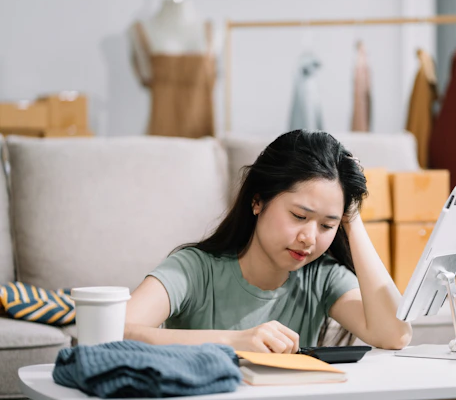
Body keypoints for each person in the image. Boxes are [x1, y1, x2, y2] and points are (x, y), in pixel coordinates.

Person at [124, 130, 412, 353]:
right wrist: (234, 342)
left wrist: (352, 217)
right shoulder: (193, 270)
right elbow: (114, 331)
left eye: (327, 225)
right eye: (299, 216)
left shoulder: (321, 277)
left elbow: (395, 334)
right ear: (258, 201)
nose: (309, 238)